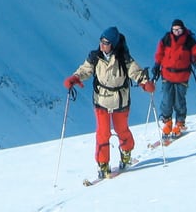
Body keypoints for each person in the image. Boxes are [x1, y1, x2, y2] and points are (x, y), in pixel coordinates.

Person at [63, 25, 154, 179]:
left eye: (106, 42)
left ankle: (126, 153)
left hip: (120, 101)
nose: (102, 45)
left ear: (113, 44)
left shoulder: (123, 57)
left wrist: (144, 83)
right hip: (101, 100)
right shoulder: (95, 57)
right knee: (102, 133)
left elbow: (135, 71)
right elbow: (85, 70)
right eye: (101, 41)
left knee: (122, 130)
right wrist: (75, 77)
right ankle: (103, 164)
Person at [151, 19, 196, 136]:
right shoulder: (166, 39)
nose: (177, 32)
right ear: (171, 30)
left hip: (182, 75)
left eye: (179, 30)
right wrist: (156, 65)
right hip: (167, 74)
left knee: (179, 100)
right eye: (175, 30)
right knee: (167, 99)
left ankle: (180, 122)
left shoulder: (189, 41)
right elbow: (159, 53)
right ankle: (167, 122)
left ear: (183, 29)